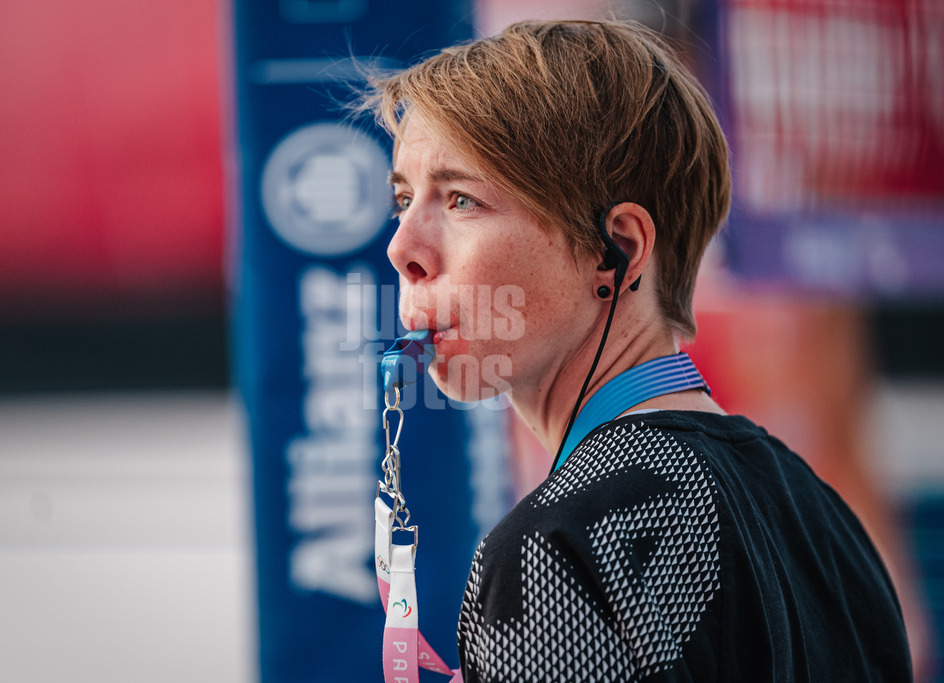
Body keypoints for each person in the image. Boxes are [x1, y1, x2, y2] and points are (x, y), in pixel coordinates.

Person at [362, 19, 913, 681]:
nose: (402, 248)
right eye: (403, 197)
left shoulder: (556, 549)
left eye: (460, 199)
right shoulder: (832, 529)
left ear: (616, 247)